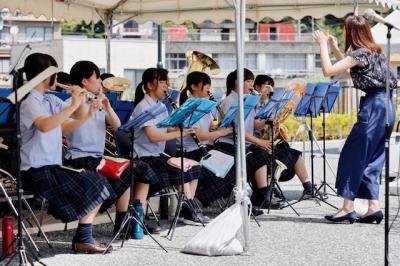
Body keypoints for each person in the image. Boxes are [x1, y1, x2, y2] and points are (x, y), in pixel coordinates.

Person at [19, 53, 113, 253]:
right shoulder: (29, 102)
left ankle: (83, 237)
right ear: (46, 75)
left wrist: (83, 105)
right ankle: (83, 237)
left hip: (51, 168)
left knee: (100, 183)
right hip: (35, 171)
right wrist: (72, 106)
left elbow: (66, 127)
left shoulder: (50, 100)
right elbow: (45, 126)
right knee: (96, 183)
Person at [313, 15, 396, 224]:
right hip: (387, 106)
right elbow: (352, 72)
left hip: (374, 107)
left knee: (353, 154)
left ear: (352, 32)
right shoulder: (375, 52)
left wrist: (323, 44)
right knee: (373, 157)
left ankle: (347, 207)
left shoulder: (360, 53)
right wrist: (334, 48)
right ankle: (372, 207)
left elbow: (328, 71)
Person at [64, 61, 161, 236]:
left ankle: (123, 224)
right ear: (85, 81)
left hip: (98, 157)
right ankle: (98, 228)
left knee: (131, 169)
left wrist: (107, 107)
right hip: (80, 158)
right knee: (124, 170)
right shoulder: (70, 103)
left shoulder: (98, 102)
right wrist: (85, 106)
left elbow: (117, 126)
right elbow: (69, 126)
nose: (101, 81)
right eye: (97, 77)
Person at [132, 67, 209, 225]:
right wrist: (180, 134)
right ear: (150, 85)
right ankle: (188, 210)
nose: (167, 85)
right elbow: (153, 137)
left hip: (157, 155)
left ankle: (187, 209)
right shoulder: (143, 106)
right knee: (181, 168)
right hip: (145, 158)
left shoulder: (160, 105)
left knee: (193, 166)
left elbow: (167, 128)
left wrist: (183, 127)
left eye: (166, 81)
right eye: (162, 82)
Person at [214, 69, 283, 209]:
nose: (251, 84)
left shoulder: (247, 100)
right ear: (237, 82)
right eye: (248, 81)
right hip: (228, 145)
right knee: (259, 156)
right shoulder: (229, 101)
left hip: (244, 144)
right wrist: (259, 142)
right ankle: (261, 196)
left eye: (252, 81)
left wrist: (266, 120)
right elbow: (236, 130)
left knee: (267, 155)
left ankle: (263, 195)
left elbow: (254, 126)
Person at [177, 71, 235, 208]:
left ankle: (200, 199)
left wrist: (216, 128)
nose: (209, 89)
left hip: (201, 148)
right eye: (206, 86)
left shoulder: (206, 106)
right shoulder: (190, 106)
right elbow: (198, 135)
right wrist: (223, 132)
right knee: (227, 169)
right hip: (190, 151)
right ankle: (199, 200)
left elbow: (207, 130)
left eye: (209, 86)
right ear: (194, 87)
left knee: (233, 164)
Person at [253, 75, 313, 199]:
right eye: (266, 87)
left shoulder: (269, 104)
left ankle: (308, 187)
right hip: (256, 143)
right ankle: (270, 189)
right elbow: (255, 127)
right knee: (275, 155)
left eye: (271, 88)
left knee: (293, 153)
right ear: (257, 87)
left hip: (267, 141)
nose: (269, 91)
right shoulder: (252, 104)